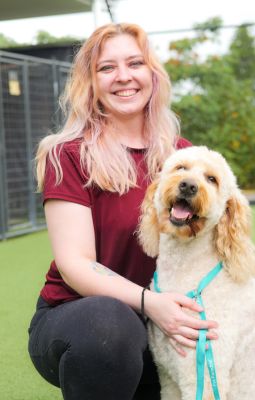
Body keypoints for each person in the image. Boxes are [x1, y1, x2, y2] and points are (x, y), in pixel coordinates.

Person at [27, 23, 219, 400]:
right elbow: (76, 265)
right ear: (91, 82)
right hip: (82, 321)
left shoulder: (182, 156)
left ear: (152, 74)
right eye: (107, 68)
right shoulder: (67, 154)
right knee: (110, 324)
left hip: (161, 321)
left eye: (135, 63)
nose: (124, 77)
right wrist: (151, 304)